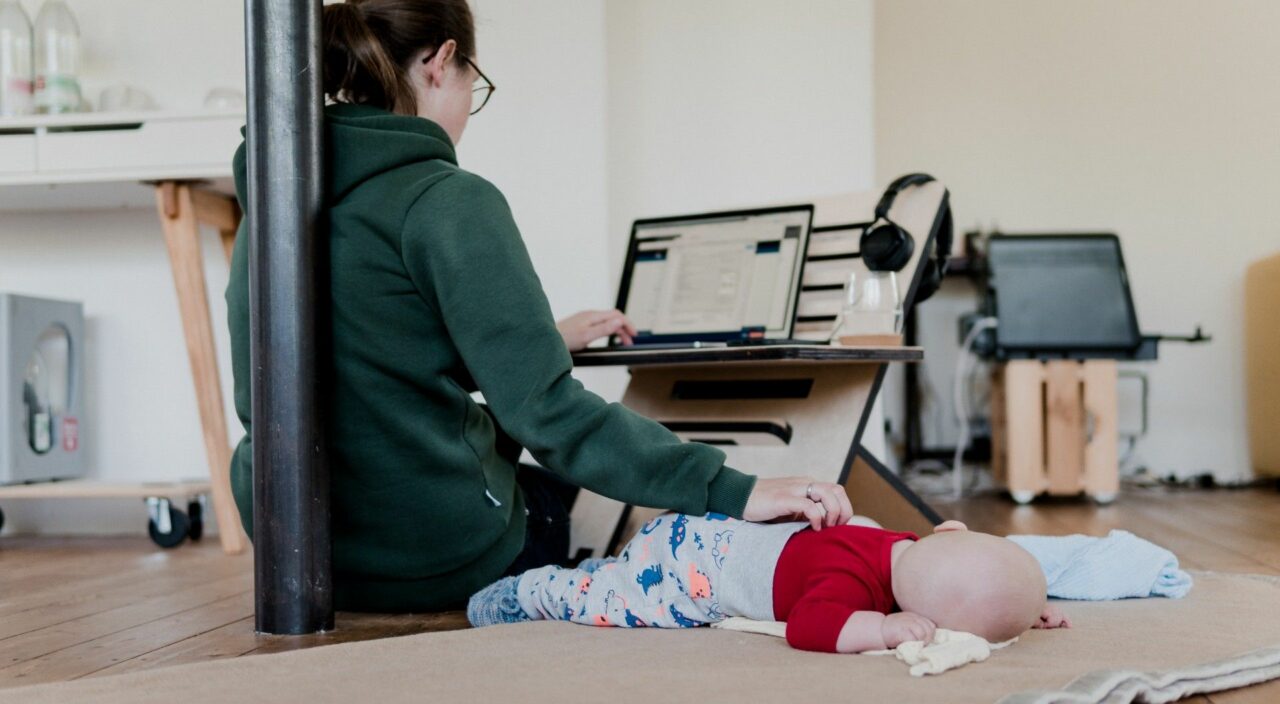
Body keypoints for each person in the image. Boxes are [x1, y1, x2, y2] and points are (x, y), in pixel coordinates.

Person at [223, 0, 851, 613]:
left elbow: (373, 354)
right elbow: (549, 416)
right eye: (474, 82)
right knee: (569, 499)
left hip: (301, 554)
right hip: (427, 558)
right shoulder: (445, 198)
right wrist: (733, 489)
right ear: (441, 61)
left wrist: (539, 339)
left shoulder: (276, 203)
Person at [468, 517, 1071, 652]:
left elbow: (973, 580)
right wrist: (882, 629)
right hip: (687, 576)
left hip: (698, 533)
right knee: (611, 604)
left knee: (621, 572)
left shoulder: (900, 542)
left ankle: (607, 569)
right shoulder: (847, 587)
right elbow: (809, 627)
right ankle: (530, 592)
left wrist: (1025, 610)